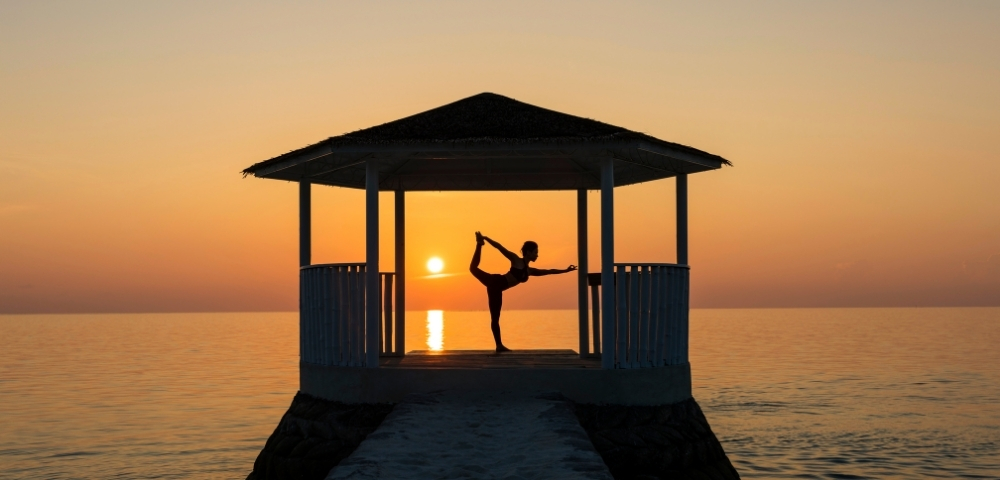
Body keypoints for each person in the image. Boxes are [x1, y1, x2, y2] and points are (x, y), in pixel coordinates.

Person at [469, 231, 577, 352]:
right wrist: (486, 238)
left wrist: (566, 270)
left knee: (496, 318)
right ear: (529, 252)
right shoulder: (516, 260)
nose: (537, 255)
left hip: (498, 290)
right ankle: (479, 243)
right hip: (495, 282)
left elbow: (548, 271)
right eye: (536, 252)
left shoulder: (529, 271)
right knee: (473, 268)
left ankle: (499, 346)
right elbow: (500, 247)